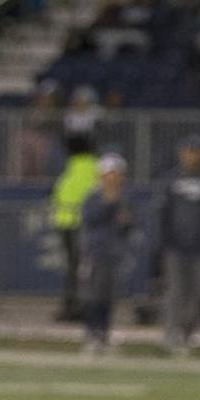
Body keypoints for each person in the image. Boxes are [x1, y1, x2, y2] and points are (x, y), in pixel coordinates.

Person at [158, 134, 200, 356]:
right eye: (188, 151)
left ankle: (187, 333)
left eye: (195, 151)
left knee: (197, 294)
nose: (191, 155)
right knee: (175, 292)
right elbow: (162, 213)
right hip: (176, 247)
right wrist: (164, 242)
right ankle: (170, 334)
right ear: (181, 153)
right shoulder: (170, 180)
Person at [78, 152, 134, 354]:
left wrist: (126, 222)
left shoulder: (124, 198)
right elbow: (90, 218)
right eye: (109, 173)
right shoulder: (94, 197)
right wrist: (109, 203)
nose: (113, 178)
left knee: (110, 298)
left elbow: (128, 224)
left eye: (116, 173)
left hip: (115, 254)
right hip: (96, 253)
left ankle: (104, 334)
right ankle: (92, 334)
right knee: (95, 296)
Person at [49, 134, 97, 322]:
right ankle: (77, 306)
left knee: (76, 268)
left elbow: (62, 193)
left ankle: (76, 307)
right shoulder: (89, 166)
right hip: (79, 223)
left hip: (73, 223)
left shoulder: (80, 167)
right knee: (80, 268)